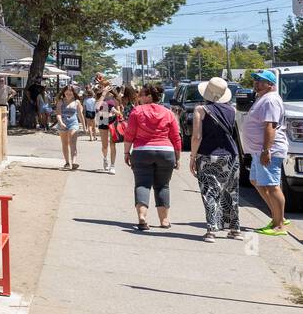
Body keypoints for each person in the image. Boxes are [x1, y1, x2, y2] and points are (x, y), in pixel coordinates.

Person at [188, 76, 243, 242]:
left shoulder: (200, 110)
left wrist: (192, 156)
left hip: (208, 156)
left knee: (210, 192)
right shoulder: (233, 110)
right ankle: (235, 229)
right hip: (231, 156)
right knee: (231, 193)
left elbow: (197, 136)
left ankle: (211, 230)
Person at [123, 82, 181, 232]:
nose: (139, 97)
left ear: (149, 96)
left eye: (141, 94)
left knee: (142, 184)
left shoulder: (137, 111)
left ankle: (142, 218)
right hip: (165, 151)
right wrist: (177, 157)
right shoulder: (168, 113)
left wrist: (126, 152)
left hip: (142, 151)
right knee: (163, 185)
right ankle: (164, 221)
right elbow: (176, 137)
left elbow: (130, 134)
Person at [243, 69, 290, 235]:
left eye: (261, 80)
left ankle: (279, 226)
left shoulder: (270, 100)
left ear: (270, 84)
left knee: (272, 186)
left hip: (268, 149)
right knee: (256, 180)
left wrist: (266, 150)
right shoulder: (262, 98)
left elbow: (270, 127)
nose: (256, 82)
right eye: (255, 79)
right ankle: (277, 217)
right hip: (258, 150)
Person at [94, 86, 119, 173]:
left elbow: (116, 108)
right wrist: (103, 94)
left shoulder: (113, 96)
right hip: (103, 120)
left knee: (113, 144)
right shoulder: (100, 97)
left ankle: (112, 166)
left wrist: (116, 111)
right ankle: (105, 158)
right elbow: (97, 107)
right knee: (105, 146)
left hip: (113, 120)